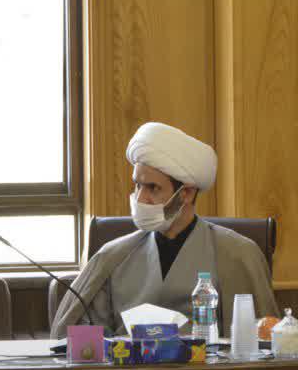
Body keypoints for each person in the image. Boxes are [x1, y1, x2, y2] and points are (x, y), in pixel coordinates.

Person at [51, 122, 278, 338]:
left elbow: (263, 345)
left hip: (206, 367)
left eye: (153, 188)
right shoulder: (111, 257)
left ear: (186, 193)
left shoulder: (238, 254)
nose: (141, 198)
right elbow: (79, 340)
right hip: (127, 367)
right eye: (137, 185)